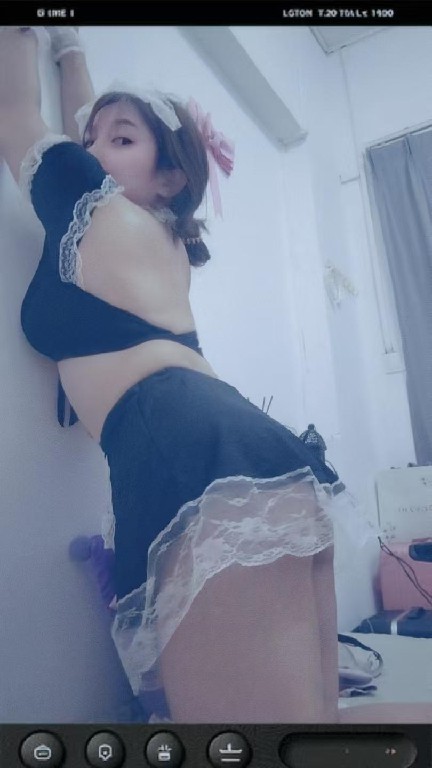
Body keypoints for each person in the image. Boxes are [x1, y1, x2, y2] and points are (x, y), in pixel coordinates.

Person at [1, 27, 429, 725]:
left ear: (169, 176)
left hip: (190, 451)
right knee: (310, 730)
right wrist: (71, 47)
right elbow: (88, 125)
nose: (90, 149)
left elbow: (15, 111)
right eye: (92, 140)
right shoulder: (162, 237)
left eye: (120, 139)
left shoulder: (96, 207)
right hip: (246, 450)